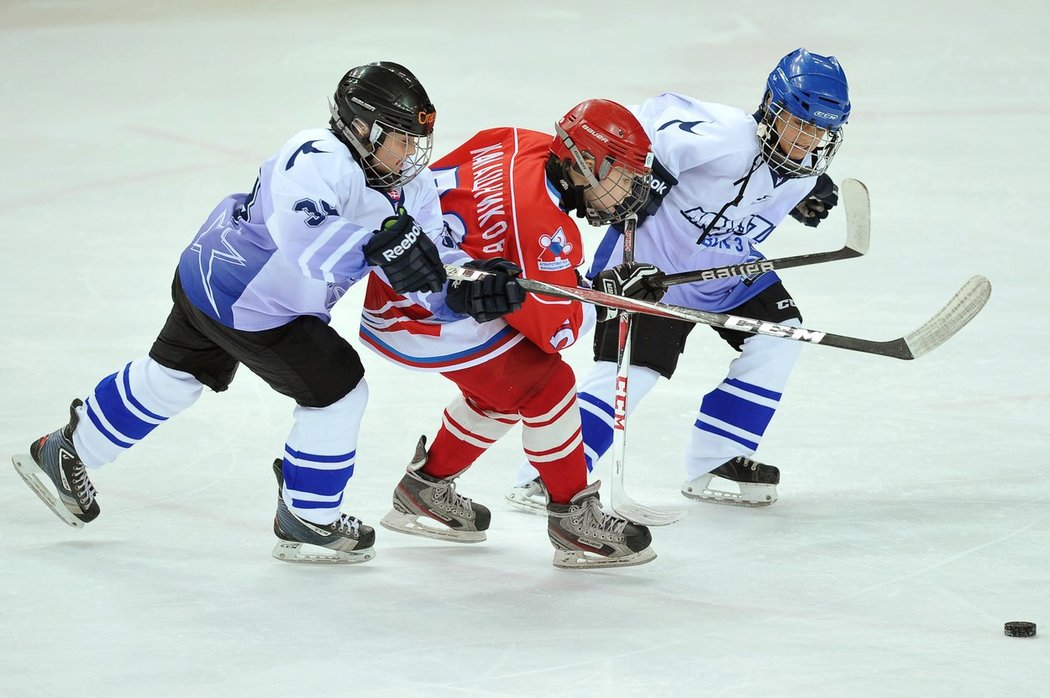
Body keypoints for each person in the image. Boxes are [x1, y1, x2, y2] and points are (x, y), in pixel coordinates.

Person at [11, 61, 492, 565]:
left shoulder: (410, 187)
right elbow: (307, 241)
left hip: (208, 278)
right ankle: (310, 518)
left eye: (416, 141)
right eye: (399, 138)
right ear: (361, 126)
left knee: (173, 377)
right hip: (252, 300)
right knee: (339, 389)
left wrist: (473, 285)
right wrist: (381, 248)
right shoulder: (317, 155)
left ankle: (65, 452)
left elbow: (431, 261)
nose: (411, 152)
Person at [506, 48, 851, 510]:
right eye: (801, 124)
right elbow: (657, 116)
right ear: (772, 106)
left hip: (730, 276)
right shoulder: (726, 135)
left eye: (822, 131)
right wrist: (650, 181)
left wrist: (807, 195)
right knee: (632, 374)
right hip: (648, 275)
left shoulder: (803, 174)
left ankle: (718, 456)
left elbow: (762, 195)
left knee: (781, 337)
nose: (811, 141)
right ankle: (544, 476)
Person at [359, 99, 662, 568]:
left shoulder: (517, 140)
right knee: (546, 383)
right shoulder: (545, 229)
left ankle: (424, 489)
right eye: (621, 175)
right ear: (585, 163)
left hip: (402, 280)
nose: (628, 191)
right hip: (423, 311)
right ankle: (572, 518)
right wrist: (606, 296)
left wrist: (576, 285)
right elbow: (557, 335)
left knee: (505, 386)